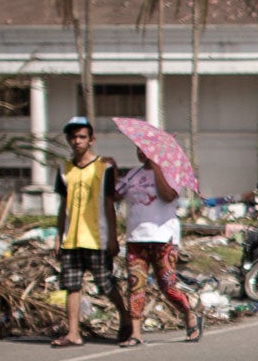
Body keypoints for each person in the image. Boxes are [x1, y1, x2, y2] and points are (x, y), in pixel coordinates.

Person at [51, 116, 127, 347]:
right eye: (73, 137)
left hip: (97, 237)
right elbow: (63, 206)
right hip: (72, 239)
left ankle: (126, 317)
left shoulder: (104, 167)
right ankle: (73, 332)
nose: (77, 141)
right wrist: (58, 236)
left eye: (82, 136)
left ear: (91, 140)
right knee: (72, 286)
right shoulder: (64, 169)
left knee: (105, 283)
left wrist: (113, 238)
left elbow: (109, 203)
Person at [116, 146, 200, 345]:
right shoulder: (132, 175)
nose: (142, 152)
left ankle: (189, 313)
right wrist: (112, 171)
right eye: (139, 148)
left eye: (147, 149)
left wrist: (156, 168)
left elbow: (168, 196)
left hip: (163, 238)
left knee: (167, 287)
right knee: (135, 285)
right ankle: (136, 333)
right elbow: (116, 195)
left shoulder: (171, 174)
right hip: (136, 238)